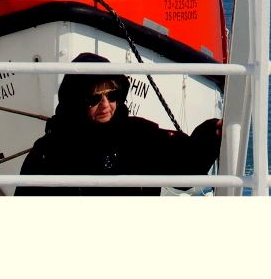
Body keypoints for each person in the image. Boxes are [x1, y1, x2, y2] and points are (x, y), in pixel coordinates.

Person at [16, 53, 222, 196]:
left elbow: (186, 166)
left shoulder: (139, 134)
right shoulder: (49, 151)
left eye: (112, 95)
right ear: (75, 102)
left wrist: (212, 133)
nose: (105, 105)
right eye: (93, 99)